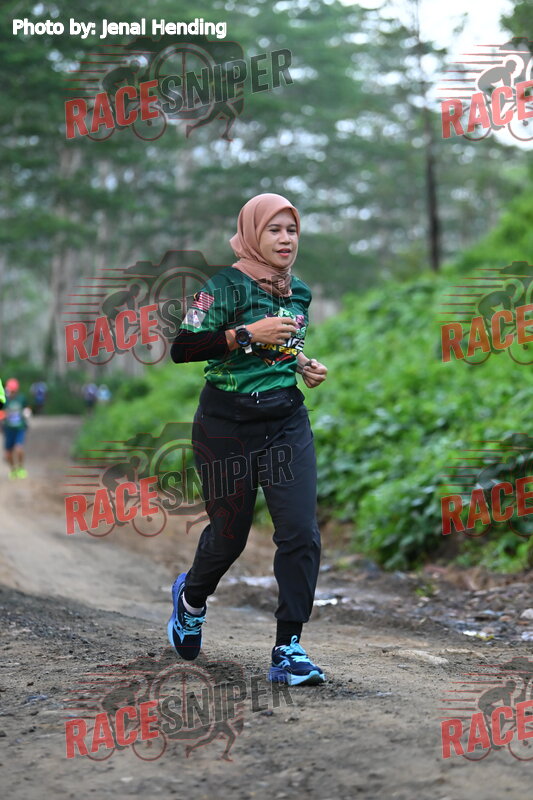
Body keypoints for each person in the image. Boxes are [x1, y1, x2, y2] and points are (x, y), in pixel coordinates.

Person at [167, 193, 328, 686]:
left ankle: (288, 648)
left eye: (292, 230)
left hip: (284, 420)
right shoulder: (220, 287)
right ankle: (192, 599)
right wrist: (245, 333)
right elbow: (183, 347)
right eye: (274, 229)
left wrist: (302, 364)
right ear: (253, 234)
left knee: (300, 532)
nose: (285, 239)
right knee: (229, 536)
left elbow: (281, 347)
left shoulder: (298, 291)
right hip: (225, 425)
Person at [2, 378, 31, 479]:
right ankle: (13, 470)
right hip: (8, 429)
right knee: (8, 454)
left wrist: (27, 412)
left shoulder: (21, 398)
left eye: (13, 391)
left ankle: (21, 468)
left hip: (19, 428)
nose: (11, 392)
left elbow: (27, 408)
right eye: (10, 390)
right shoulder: (4, 400)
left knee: (19, 449)